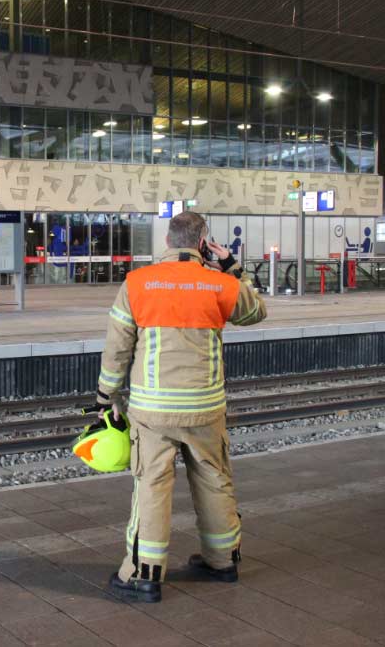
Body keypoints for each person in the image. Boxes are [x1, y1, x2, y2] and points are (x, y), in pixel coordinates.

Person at [95, 211, 266, 603]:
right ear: (203, 241)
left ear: (168, 240)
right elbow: (255, 311)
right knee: (213, 478)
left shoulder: (138, 283)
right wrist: (231, 266)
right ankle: (222, 561)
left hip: (152, 412)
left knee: (152, 485)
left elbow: (117, 347)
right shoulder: (218, 283)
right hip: (206, 408)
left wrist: (107, 397)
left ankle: (144, 574)